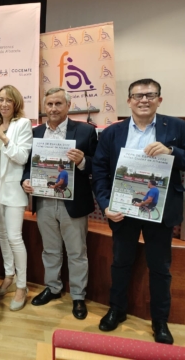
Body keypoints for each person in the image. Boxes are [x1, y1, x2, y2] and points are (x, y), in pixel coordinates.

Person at [92, 78, 185, 344]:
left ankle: (160, 321)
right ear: (129, 101)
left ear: (160, 99)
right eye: (138, 96)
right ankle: (117, 309)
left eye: (150, 95)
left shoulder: (177, 127)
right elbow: (99, 171)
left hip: (160, 211)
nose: (144, 100)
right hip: (122, 210)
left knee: (160, 267)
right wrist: (105, 204)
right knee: (121, 262)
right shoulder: (112, 132)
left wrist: (172, 151)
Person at [22, 87, 97, 320]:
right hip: (44, 201)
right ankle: (53, 288)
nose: (53, 108)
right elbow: (27, 165)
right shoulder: (35, 133)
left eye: (58, 104)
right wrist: (25, 179)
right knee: (50, 249)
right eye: (49, 104)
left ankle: (77, 295)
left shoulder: (85, 131)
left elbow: (98, 166)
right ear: (44, 108)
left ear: (68, 105)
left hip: (72, 203)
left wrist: (83, 161)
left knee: (77, 252)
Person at [0, 85, 33, 311]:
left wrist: (4, 138)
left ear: (15, 104)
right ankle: (8, 276)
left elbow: (22, 157)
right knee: (2, 234)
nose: (3, 104)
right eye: (0, 99)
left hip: (14, 191)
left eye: (8, 100)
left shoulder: (22, 124)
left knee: (15, 237)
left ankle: (22, 286)